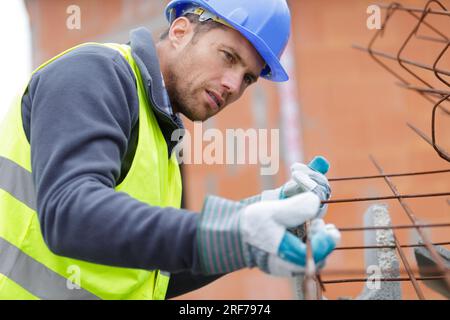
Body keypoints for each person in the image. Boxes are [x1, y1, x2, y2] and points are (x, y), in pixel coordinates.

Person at [0, 0, 340, 300]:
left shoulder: (163, 135)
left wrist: (256, 224)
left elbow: (154, 275)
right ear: (180, 31)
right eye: (228, 57)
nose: (233, 85)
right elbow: (70, 215)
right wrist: (236, 232)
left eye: (248, 78)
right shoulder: (94, 72)